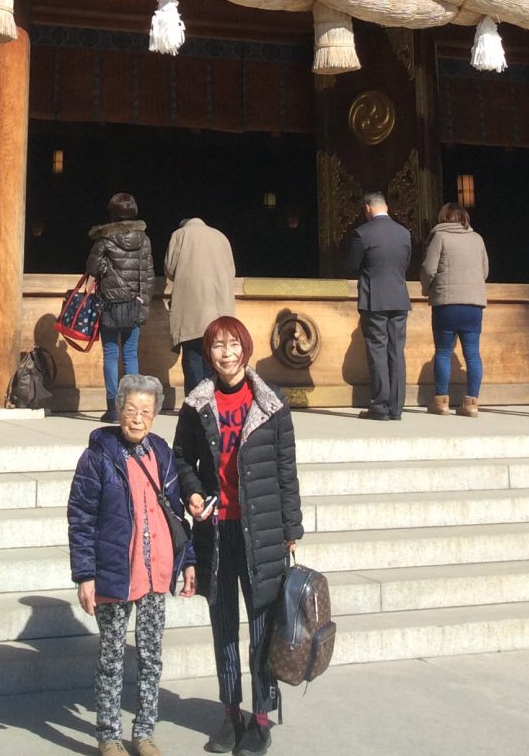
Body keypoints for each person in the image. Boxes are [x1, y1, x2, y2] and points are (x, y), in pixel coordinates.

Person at [173, 315, 303, 756]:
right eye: (217, 346)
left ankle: (262, 718)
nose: (226, 354)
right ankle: (230, 713)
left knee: (263, 629)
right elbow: (181, 459)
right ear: (207, 353)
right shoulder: (197, 405)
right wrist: (192, 493)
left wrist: (292, 529)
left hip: (262, 530)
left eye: (234, 345)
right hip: (217, 531)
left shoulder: (271, 404)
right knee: (224, 627)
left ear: (246, 349)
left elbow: (286, 470)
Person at [67, 373, 196, 756]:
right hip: (115, 573)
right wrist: (85, 575)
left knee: (151, 654)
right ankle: (108, 734)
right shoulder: (97, 457)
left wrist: (187, 560)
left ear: (155, 415)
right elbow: (81, 518)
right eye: (130, 410)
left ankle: (143, 732)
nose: (137, 418)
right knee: (111, 655)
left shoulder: (161, 453)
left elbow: (175, 515)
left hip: (157, 572)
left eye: (145, 411)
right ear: (118, 410)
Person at [86, 193, 154, 421]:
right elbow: (148, 274)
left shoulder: (104, 240)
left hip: (110, 304)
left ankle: (113, 408)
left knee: (111, 354)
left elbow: (92, 269)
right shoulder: (144, 240)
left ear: (112, 213)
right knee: (131, 354)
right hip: (134, 303)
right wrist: (144, 303)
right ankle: (133, 407)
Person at [343, 191, 411, 420]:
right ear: (386, 208)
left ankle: (380, 406)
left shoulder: (363, 234)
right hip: (399, 298)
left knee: (378, 352)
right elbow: (406, 263)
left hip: (374, 299)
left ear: (368, 208)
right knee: (397, 352)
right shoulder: (404, 233)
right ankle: (396, 407)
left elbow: (352, 265)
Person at [420, 202, 489, 417]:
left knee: (443, 351)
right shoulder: (477, 239)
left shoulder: (440, 237)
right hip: (473, 305)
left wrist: (427, 288)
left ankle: (441, 402)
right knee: (472, 354)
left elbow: (429, 268)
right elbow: (485, 270)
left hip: (446, 304)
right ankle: (471, 403)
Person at [164, 215, 236, 396]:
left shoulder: (180, 235)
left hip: (191, 307)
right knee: (214, 356)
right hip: (219, 308)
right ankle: (213, 400)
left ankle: (196, 404)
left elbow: (169, 269)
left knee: (193, 355)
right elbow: (232, 270)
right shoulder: (220, 236)